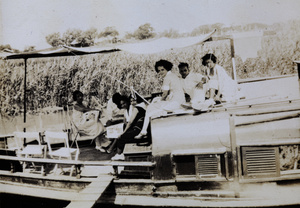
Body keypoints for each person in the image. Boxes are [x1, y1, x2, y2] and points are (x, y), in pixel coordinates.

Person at [135, 59, 185, 139]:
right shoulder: (173, 76)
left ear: (167, 68)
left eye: (162, 70)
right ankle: (144, 130)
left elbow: (165, 94)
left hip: (175, 103)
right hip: (179, 101)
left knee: (151, 108)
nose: (160, 72)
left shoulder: (167, 78)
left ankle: (144, 130)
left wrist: (160, 100)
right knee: (155, 101)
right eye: (159, 71)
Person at [111, 95, 147, 160]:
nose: (123, 105)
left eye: (124, 103)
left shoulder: (135, 108)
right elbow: (126, 122)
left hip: (138, 129)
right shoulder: (126, 111)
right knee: (120, 135)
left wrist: (123, 133)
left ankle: (120, 154)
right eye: (121, 104)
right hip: (135, 128)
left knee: (122, 137)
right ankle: (120, 153)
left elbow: (130, 122)